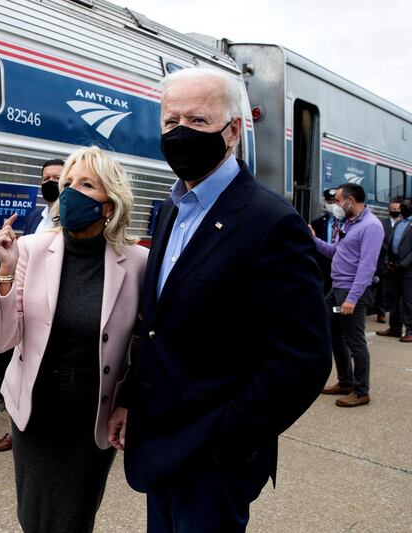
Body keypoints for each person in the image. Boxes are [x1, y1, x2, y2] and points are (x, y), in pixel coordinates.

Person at [109, 68, 331, 532]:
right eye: (171, 123)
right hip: (159, 444)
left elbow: (304, 360)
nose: (180, 134)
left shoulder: (272, 222)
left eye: (197, 120)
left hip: (213, 459)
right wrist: (131, 399)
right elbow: (158, 326)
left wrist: (224, 439)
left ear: (232, 132)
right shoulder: (171, 209)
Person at [0, 146, 148, 532]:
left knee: (73, 520)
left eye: (86, 184)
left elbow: (150, 342)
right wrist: (5, 273)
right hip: (37, 413)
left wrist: (128, 401)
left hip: (91, 419)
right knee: (36, 518)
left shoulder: (136, 263)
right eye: (67, 182)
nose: (70, 191)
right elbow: (0, 340)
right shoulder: (30, 250)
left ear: (109, 205)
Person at [0, 158, 64, 453]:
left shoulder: (68, 218)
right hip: (22, 293)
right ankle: (15, 429)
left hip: (49, 300)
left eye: (57, 177)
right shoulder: (34, 217)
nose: (49, 182)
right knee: (17, 361)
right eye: (45, 178)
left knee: (40, 365)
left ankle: (36, 431)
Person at [316, 183, 383, 407]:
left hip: (351, 292)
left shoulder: (371, 226)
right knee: (335, 335)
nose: (335, 205)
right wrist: (311, 239)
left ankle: (361, 390)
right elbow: (335, 252)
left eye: (337, 200)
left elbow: (367, 267)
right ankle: (345, 381)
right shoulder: (350, 223)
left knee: (355, 341)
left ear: (350, 201)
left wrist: (352, 299)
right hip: (336, 290)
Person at [378, 197, 412, 342]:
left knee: (408, 301)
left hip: (408, 269)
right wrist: (388, 262)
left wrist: (403, 264)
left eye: (405, 206)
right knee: (394, 299)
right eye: (401, 205)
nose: (401, 208)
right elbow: (390, 245)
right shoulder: (399, 223)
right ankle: (395, 328)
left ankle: (410, 330)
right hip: (394, 267)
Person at [374, 198, 402, 323]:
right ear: (389, 210)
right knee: (381, 289)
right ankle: (381, 313)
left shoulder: (403, 223)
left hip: (398, 262)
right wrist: (390, 249)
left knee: (395, 291)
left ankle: (394, 315)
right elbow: (379, 240)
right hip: (383, 260)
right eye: (393, 209)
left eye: (397, 209)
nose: (395, 211)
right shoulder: (382, 223)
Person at [309, 188, 340, 294]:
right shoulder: (317, 223)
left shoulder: (347, 222)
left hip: (340, 265)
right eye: (330, 202)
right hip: (322, 265)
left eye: (335, 202)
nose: (333, 205)